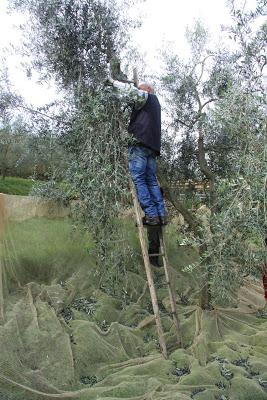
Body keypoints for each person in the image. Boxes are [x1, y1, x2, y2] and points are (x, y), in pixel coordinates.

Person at [107, 78, 167, 226]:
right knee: (151, 180)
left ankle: (152, 216)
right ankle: (161, 215)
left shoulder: (146, 97)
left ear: (148, 90)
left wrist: (113, 82)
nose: (138, 91)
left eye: (140, 89)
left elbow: (130, 91)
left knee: (139, 179)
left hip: (139, 144)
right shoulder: (156, 104)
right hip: (152, 148)